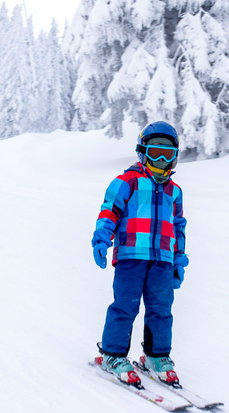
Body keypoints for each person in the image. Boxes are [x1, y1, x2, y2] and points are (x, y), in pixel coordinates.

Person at [91, 121, 188, 388]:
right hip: (131, 257)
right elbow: (109, 210)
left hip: (162, 261)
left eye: (167, 154)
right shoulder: (127, 182)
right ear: (142, 151)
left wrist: (178, 260)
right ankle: (113, 355)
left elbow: (178, 227)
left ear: (175, 156)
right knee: (125, 306)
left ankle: (156, 358)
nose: (160, 159)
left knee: (161, 309)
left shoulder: (174, 191)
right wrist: (102, 238)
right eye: (155, 151)